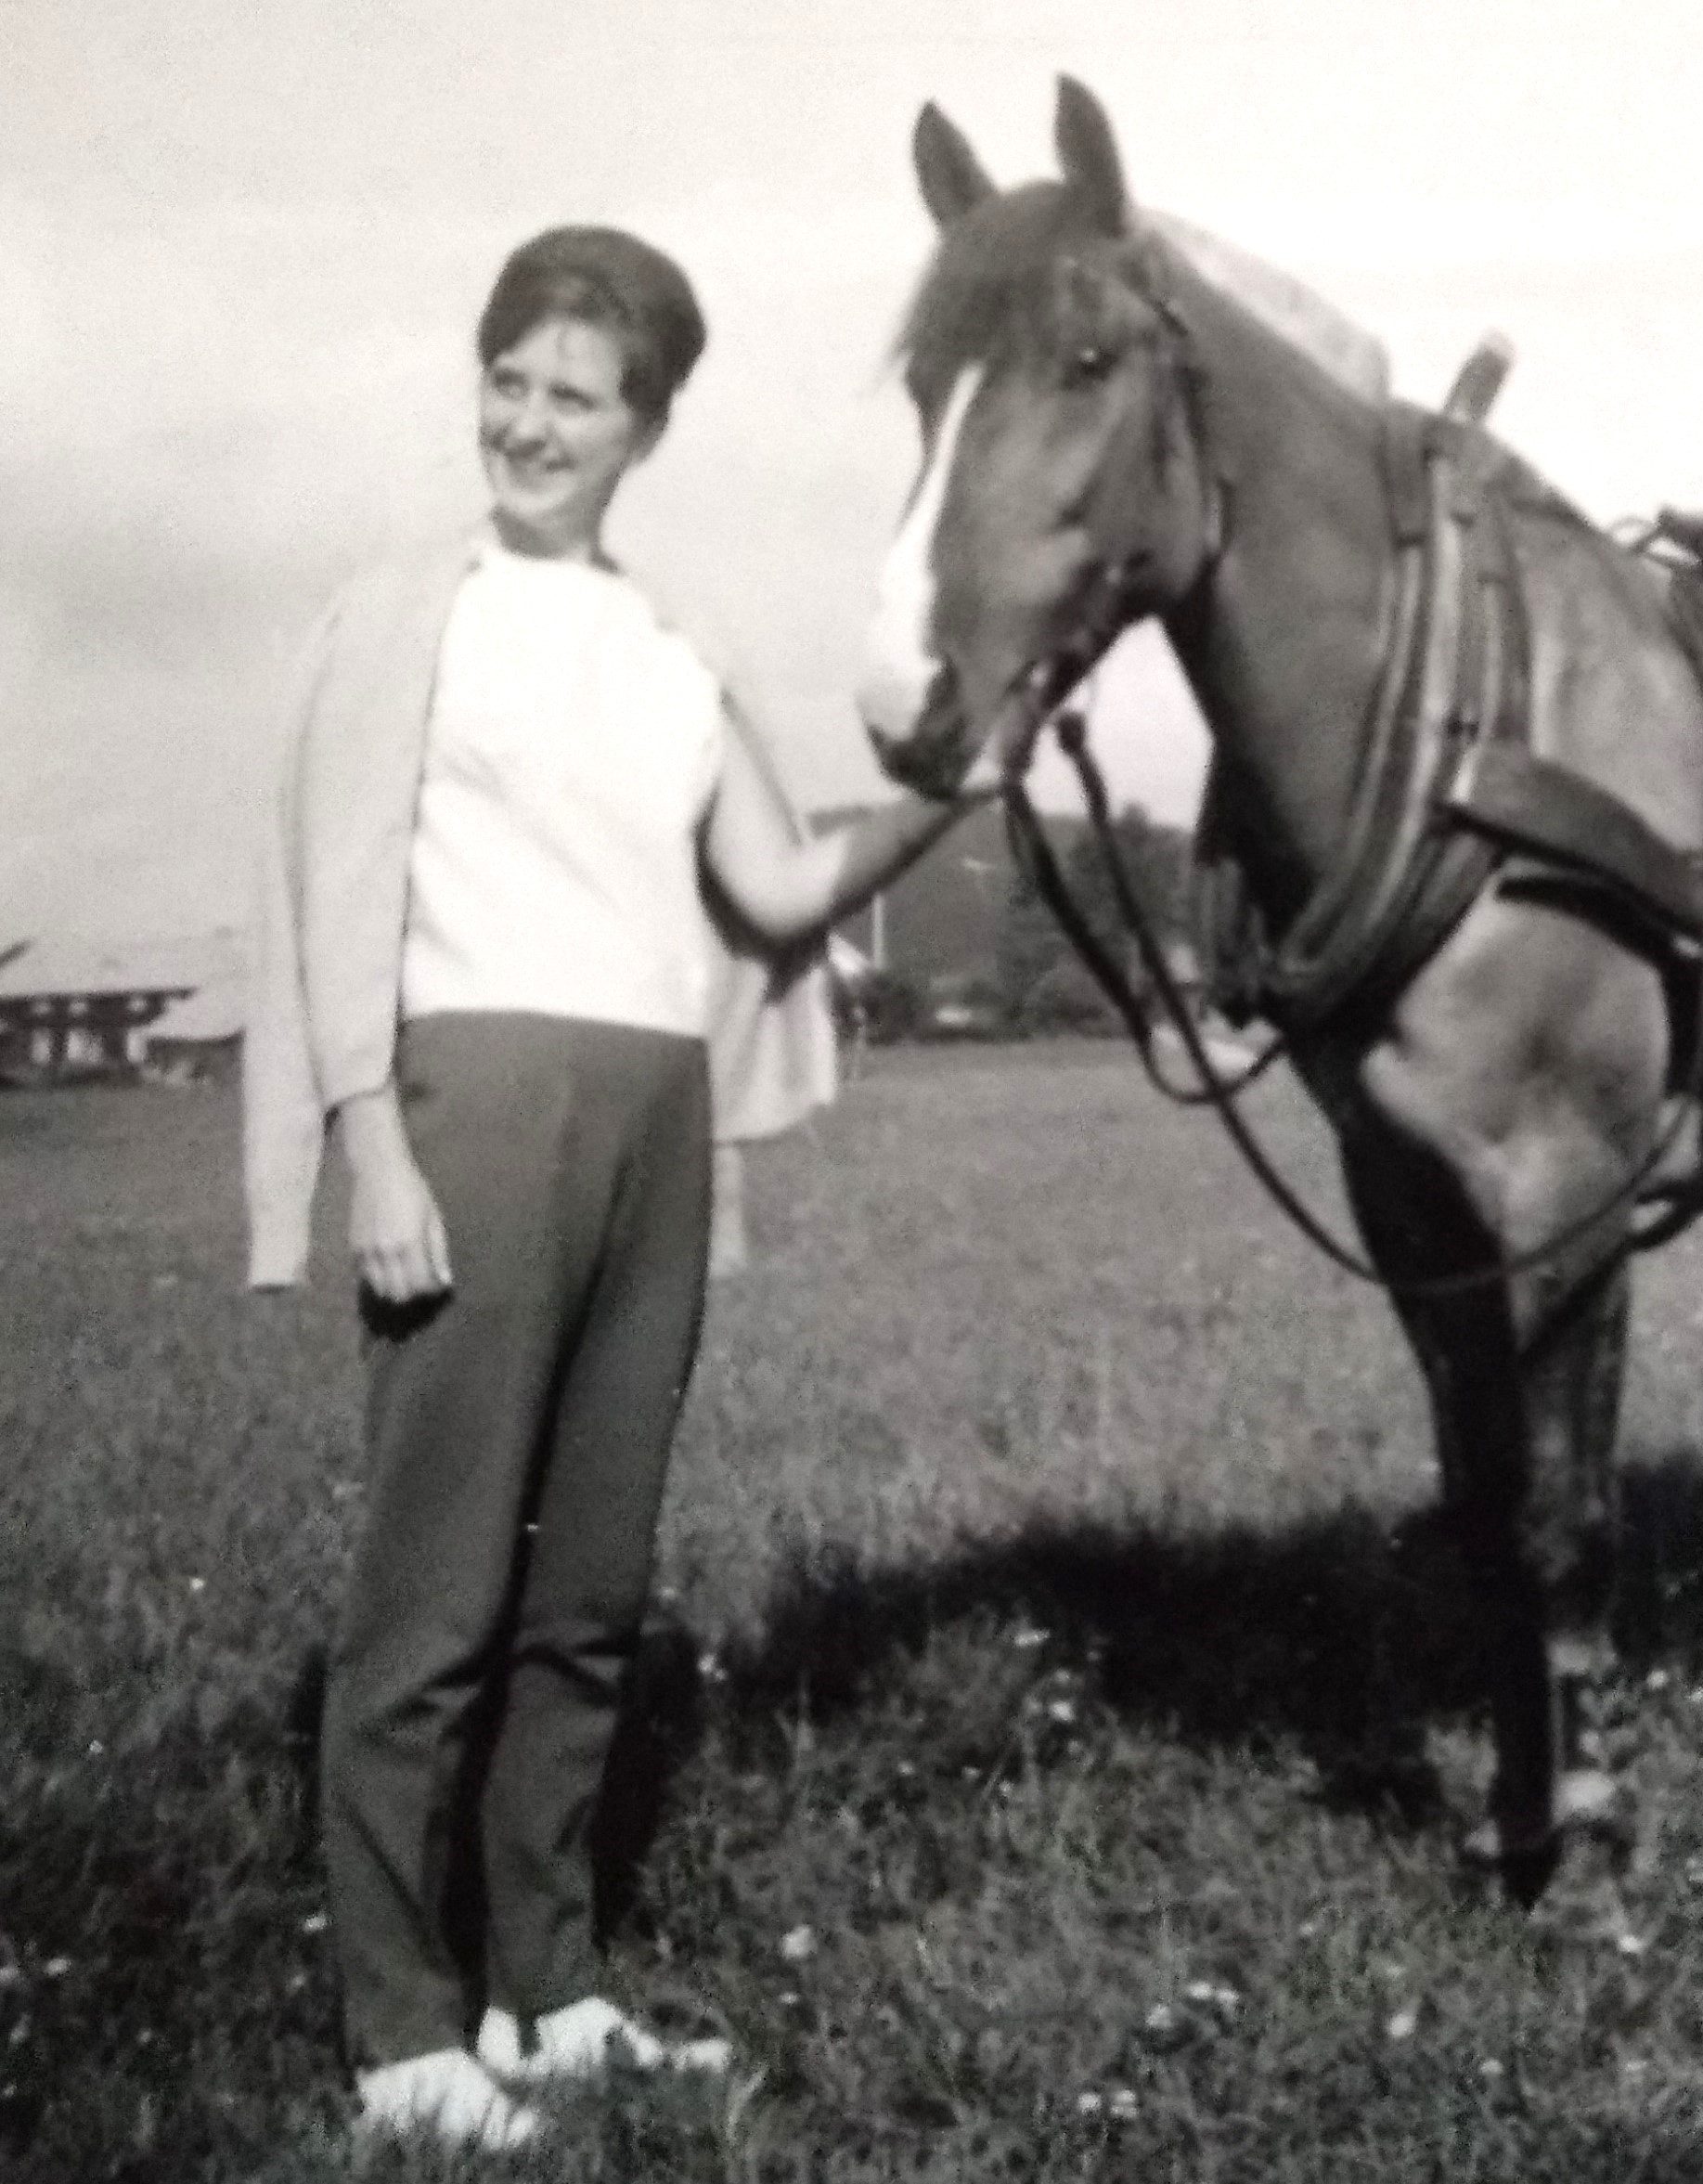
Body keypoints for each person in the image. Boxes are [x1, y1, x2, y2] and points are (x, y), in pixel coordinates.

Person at [243, 225, 987, 2152]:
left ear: (646, 427)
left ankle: (545, 1987)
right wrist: (372, 1139)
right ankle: (404, 2027)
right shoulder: (407, 612)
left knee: (588, 1590)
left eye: (574, 395)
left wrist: (964, 772)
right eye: (508, 378)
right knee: (432, 1596)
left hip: (655, 1115)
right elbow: (331, 888)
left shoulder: (672, 644)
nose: (527, 421)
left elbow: (782, 886)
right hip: (470, 1095)